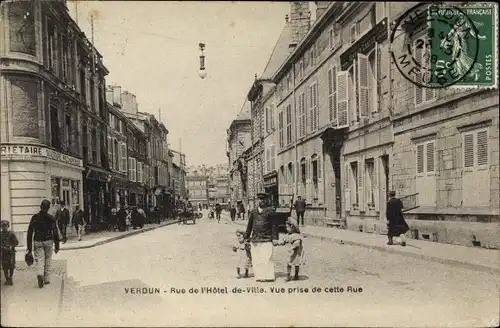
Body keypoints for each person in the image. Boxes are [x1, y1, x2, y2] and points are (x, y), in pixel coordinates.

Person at [245, 192, 279, 282]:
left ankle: (268, 276)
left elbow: (274, 225)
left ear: (266, 200)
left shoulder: (270, 211)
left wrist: (275, 238)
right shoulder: (253, 211)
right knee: (256, 258)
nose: (261, 201)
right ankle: (259, 276)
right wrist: (247, 237)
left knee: (267, 257)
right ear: (257, 200)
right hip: (256, 238)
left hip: (267, 238)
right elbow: (249, 225)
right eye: (260, 199)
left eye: (263, 199)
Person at [27, 200, 60, 288]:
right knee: (48, 259)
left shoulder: (34, 217)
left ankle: (39, 273)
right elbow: (55, 231)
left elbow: (30, 232)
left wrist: (29, 247)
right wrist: (57, 245)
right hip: (48, 240)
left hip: (37, 240)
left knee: (39, 259)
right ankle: (46, 279)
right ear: (48, 208)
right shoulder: (50, 218)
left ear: (40, 206)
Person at [1, 220, 19, 286]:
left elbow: (16, 242)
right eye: (2, 226)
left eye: (5, 226)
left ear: (8, 226)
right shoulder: (0, 234)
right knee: (4, 266)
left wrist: (11, 246)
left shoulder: (11, 233)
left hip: (11, 253)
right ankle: (6, 279)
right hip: (3, 253)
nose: (4, 227)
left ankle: (10, 277)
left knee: (11, 266)